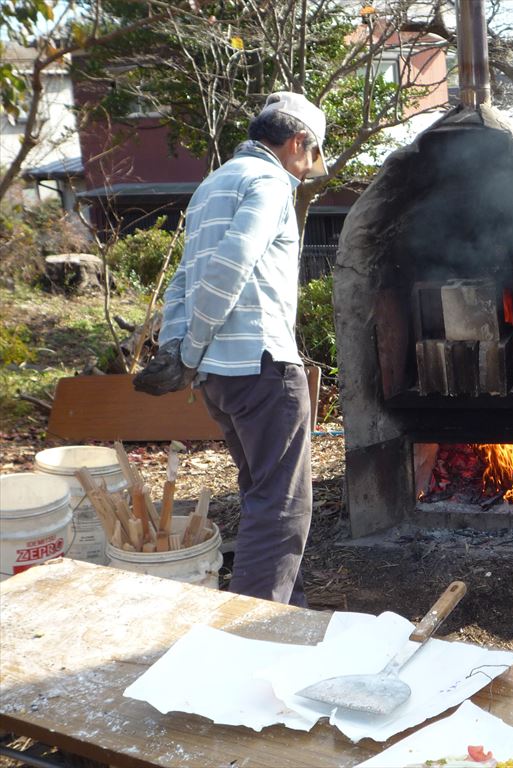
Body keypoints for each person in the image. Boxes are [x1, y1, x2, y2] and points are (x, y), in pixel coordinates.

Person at [135, 92, 328, 606]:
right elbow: (231, 264)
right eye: (311, 158)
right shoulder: (267, 183)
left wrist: (179, 349)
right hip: (261, 368)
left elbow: (183, 280)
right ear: (297, 143)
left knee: (266, 499)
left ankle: (293, 618)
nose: (307, 172)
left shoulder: (212, 185)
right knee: (285, 508)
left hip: (221, 380)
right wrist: (190, 349)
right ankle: (249, 636)